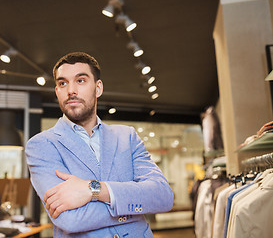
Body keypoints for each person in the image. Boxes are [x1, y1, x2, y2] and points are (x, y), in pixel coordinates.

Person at [26, 52, 174, 237]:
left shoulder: (126, 137)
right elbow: (70, 220)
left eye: (80, 80)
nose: (71, 90)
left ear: (98, 88)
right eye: (62, 83)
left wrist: (94, 190)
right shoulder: (41, 145)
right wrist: (133, 207)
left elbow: (162, 196)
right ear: (57, 91)